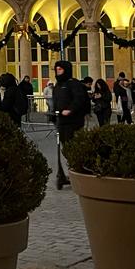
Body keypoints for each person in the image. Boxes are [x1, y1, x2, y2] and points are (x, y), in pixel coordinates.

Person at [52, 60, 89, 190]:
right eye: (56, 70)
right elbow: (56, 102)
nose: (58, 72)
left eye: (60, 70)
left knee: (73, 147)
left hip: (73, 122)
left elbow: (79, 99)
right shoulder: (57, 85)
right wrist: (53, 114)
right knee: (65, 147)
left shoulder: (73, 84)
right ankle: (69, 172)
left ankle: (80, 170)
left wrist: (70, 110)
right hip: (61, 122)